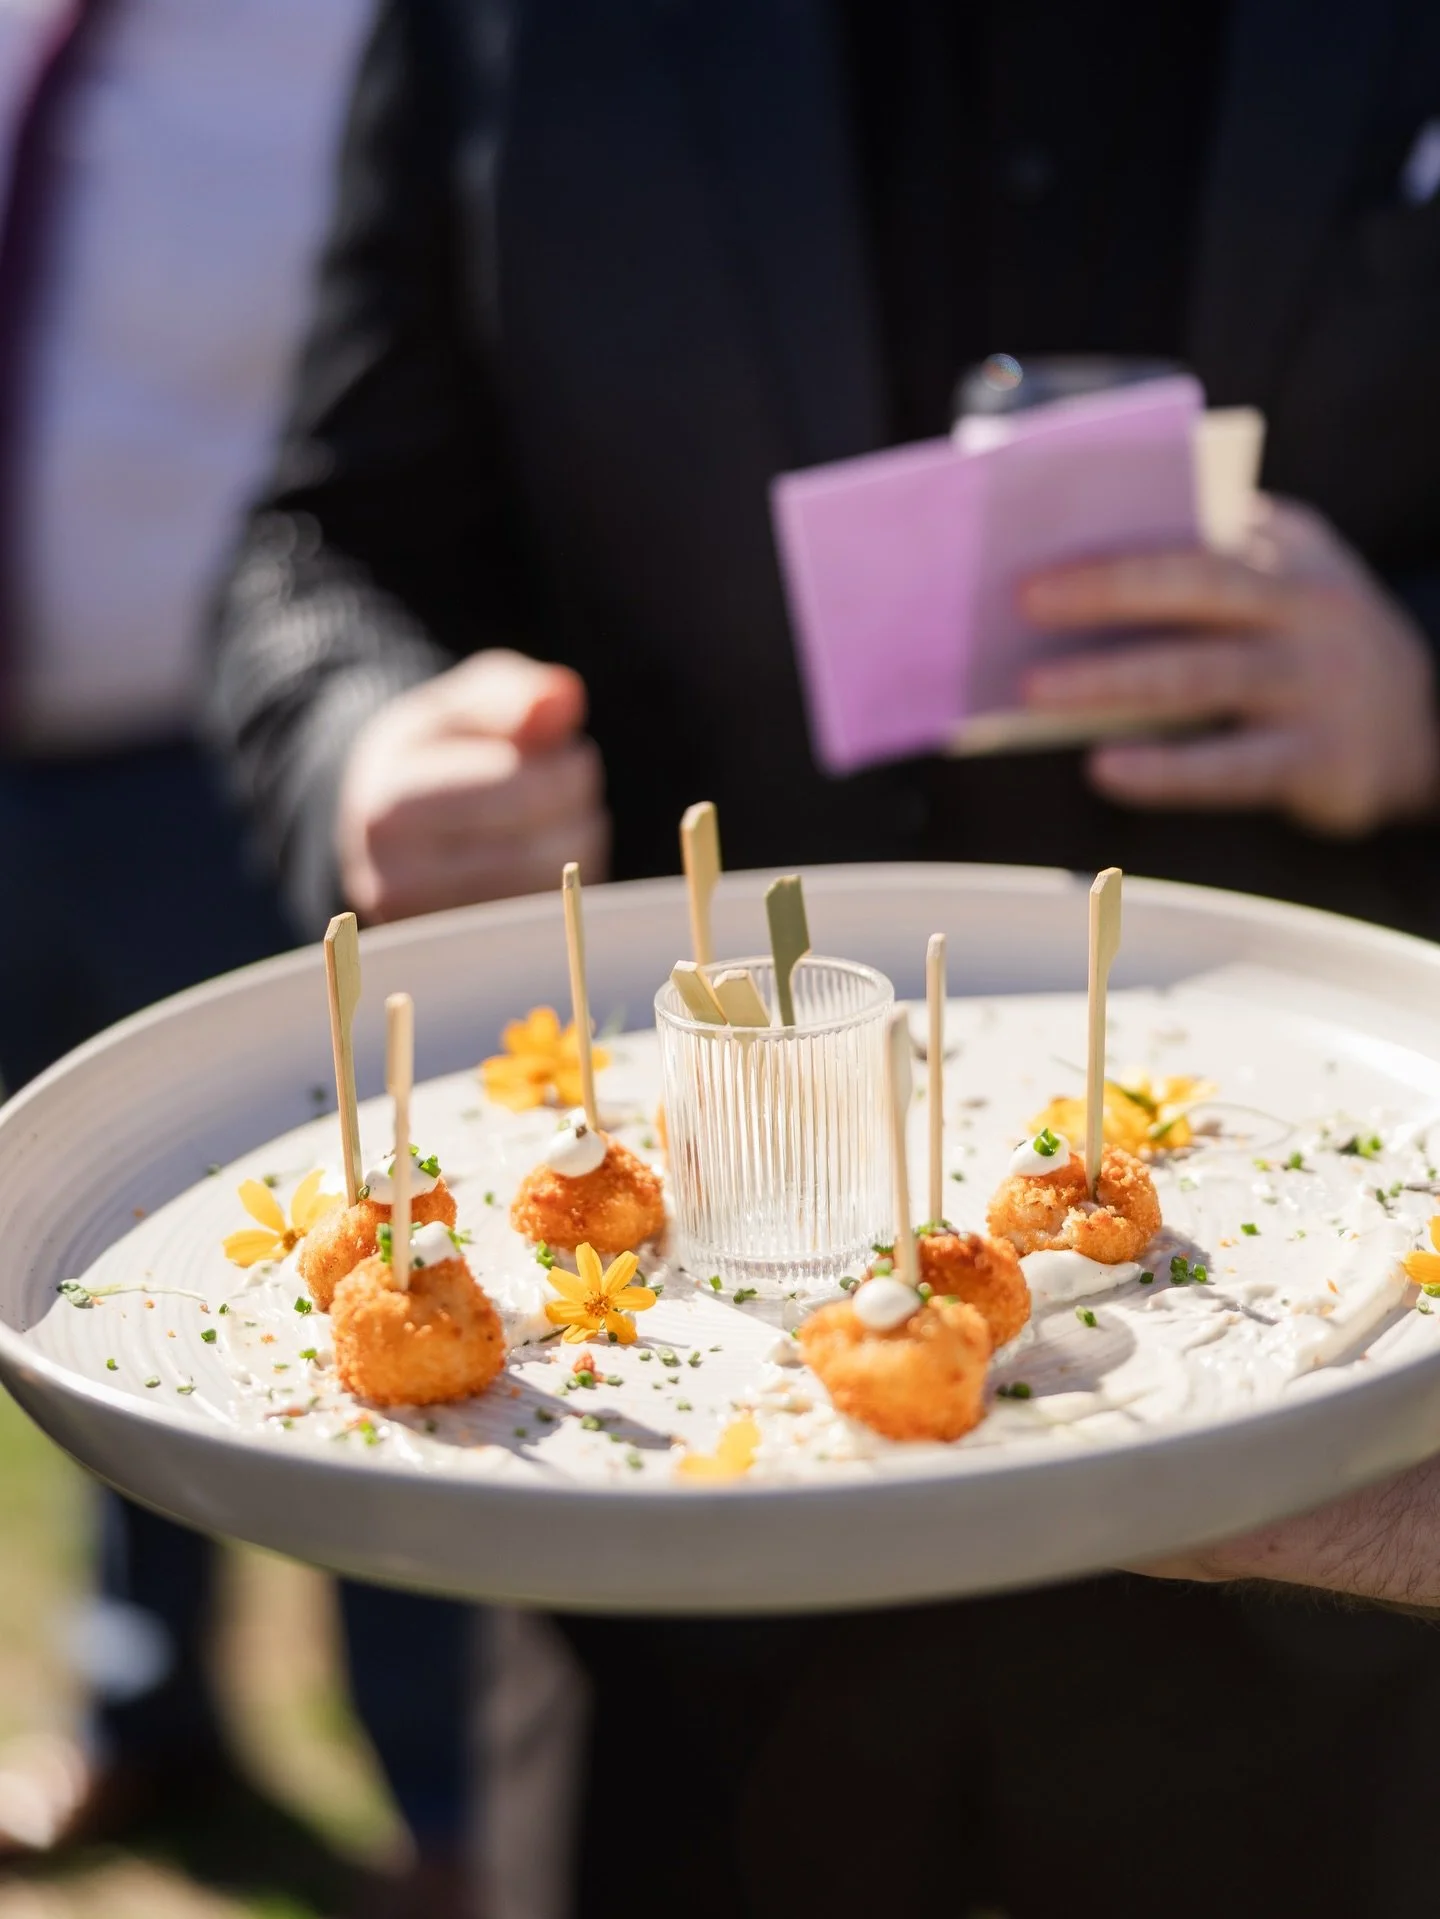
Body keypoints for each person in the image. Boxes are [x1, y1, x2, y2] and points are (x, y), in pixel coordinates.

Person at [207, 3, 1440, 1914]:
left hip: (1317, 1540)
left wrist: (1424, 689)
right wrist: (378, 739)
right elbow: (318, 542)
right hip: (663, 1511)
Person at [0, 6, 481, 1911]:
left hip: (225, 768)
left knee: (362, 1262)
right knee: (78, 1263)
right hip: (16, 770)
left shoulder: (367, 36)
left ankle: (448, 1794)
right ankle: (149, 1697)